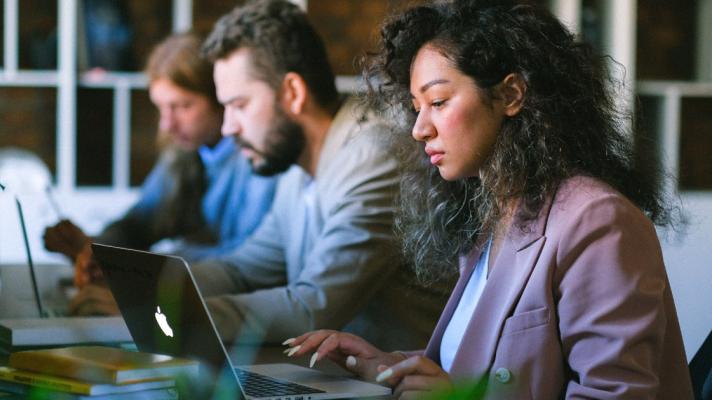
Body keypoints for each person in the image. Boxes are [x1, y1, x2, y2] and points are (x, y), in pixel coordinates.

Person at [285, 1, 694, 398]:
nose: (420, 129)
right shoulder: (499, 213)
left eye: (439, 102)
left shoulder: (598, 221)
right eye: (416, 108)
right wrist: (391, 367)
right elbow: (483, 371)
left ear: (511, 94)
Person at [188, 0, 449, 350]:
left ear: (293, 93)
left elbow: (314, 307)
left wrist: (177, 312)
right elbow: (243, 270)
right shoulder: (299, 168)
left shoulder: (375, 154)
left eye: (240, 105)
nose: (228, 126)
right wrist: (150, 284)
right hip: (339, 380)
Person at [44, 33, 278, 313]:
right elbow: (139, 223)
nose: (167, 124)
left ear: (221, 99)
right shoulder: (183, 152)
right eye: (161, 108)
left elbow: (246, 261)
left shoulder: (260, 157)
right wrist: (98, 249)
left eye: (182, 106)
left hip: (239, 312)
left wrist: (146, 266)